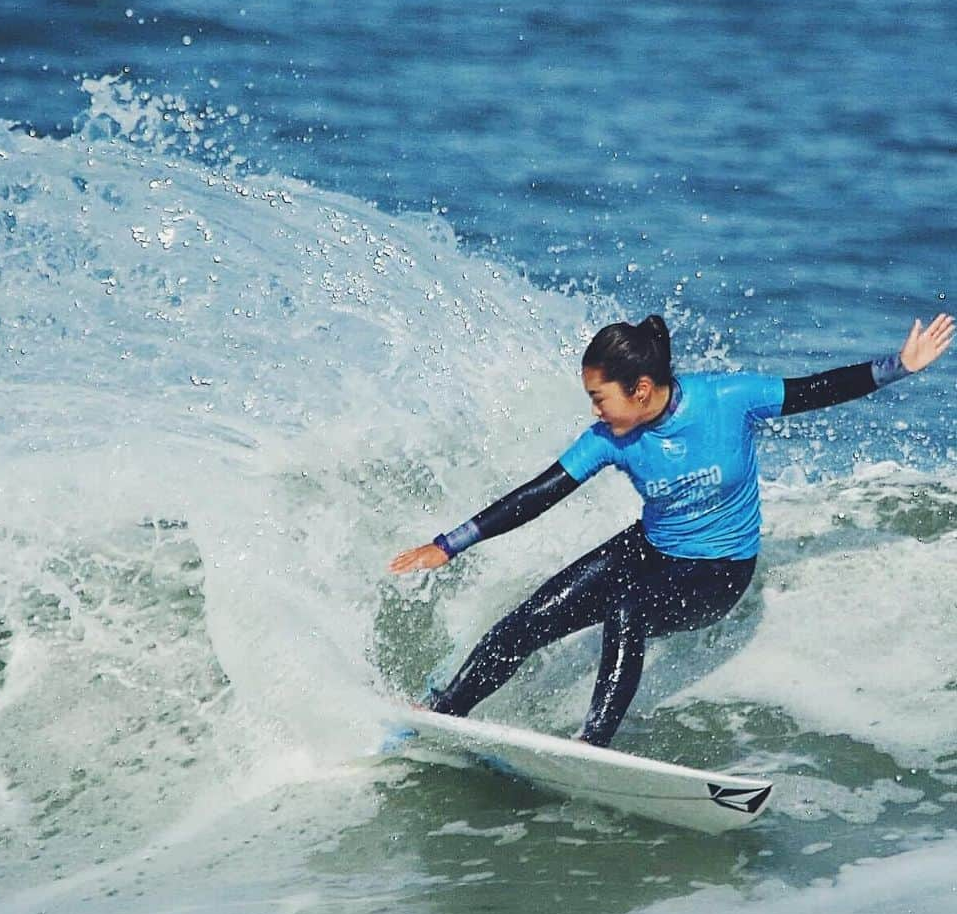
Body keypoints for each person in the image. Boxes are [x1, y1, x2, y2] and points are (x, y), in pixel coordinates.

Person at [388, 312, 954, 747]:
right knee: (530, 619)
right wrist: (448, 544)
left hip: (719, 573)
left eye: (599, 397)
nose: (595, 411)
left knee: (627, 611)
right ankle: (442, 713)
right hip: (649, 550)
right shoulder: (609, 439)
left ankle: (592, 747)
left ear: (639, 388)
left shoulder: (729, 399)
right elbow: (539, 494)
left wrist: (899, 365)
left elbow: (817, 390)